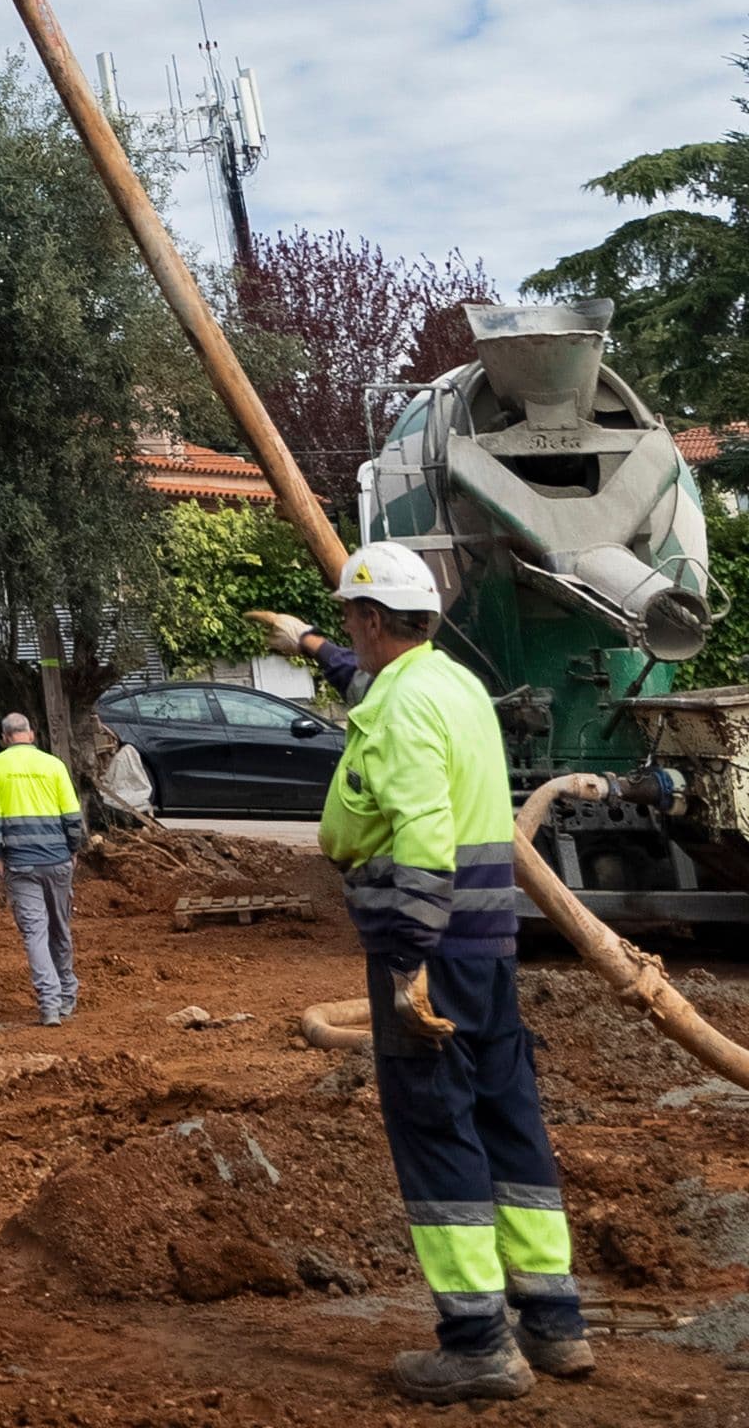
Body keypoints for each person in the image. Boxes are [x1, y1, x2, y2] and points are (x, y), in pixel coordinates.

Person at [308, 542, 590, 1404]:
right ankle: (554, 1324)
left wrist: (407, 964)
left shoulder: (397, 712)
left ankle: (476, 1345)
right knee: (510, 1122)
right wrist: (313, 653)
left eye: (349, 619)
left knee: (437, 1130)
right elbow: (380, 687)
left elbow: (424, 841)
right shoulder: (454, 685)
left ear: (369, 618)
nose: (347, 630)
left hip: (431, 950)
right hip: (491, 949)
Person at [0, 708, 83, 1026]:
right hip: (57, 860)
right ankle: (67, 996)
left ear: (4, 738)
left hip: (20, 865)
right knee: (59, 929)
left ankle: (50, 1006)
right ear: (31, 734)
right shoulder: (53, 765)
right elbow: (73, 817)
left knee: (35, 935)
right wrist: (73, 850)